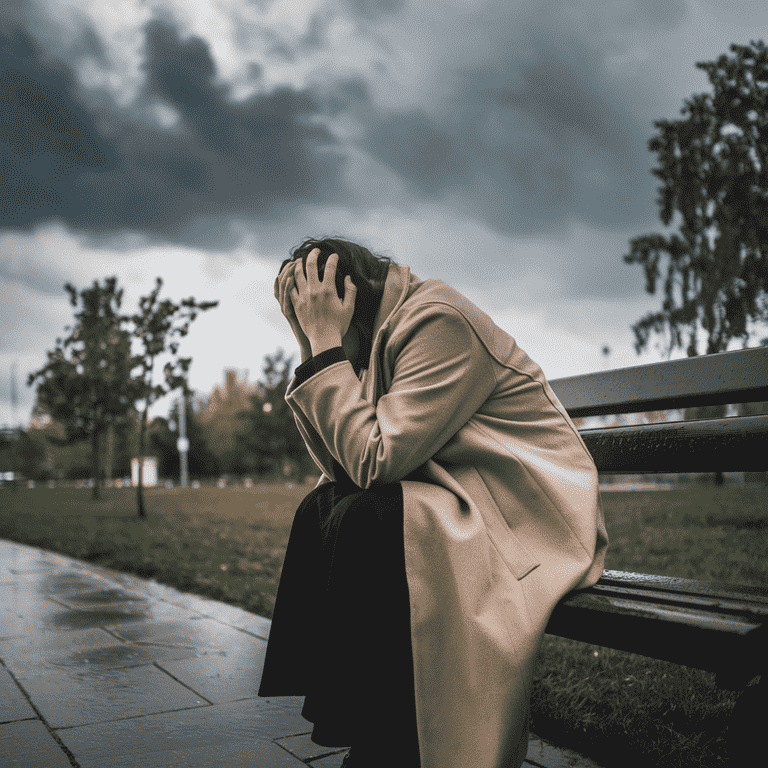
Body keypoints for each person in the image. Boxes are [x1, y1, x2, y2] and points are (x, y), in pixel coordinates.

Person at [257, 237, 609, 768]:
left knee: (364, 518)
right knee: (325, 505)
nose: (310, 324)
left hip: (525, 523)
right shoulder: (380, 334)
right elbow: (343, 469)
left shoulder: (436, 322)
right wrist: (316, 353)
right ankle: (369, 729)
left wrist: (327, 350)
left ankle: (389, 742)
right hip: (461, 496)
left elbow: (375, 463)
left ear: (348, 297)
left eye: (315, 313)